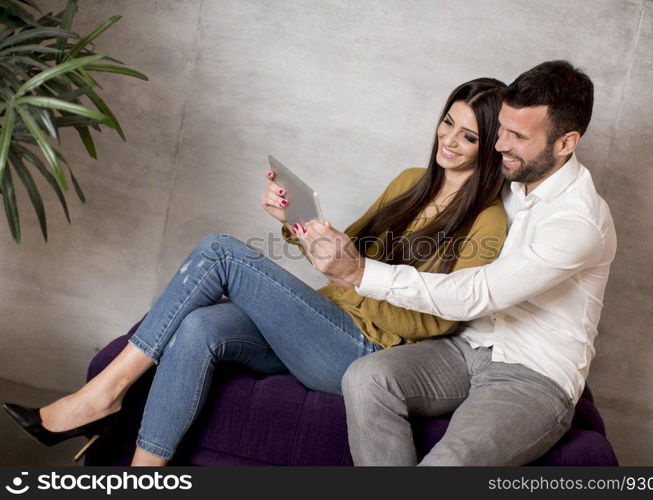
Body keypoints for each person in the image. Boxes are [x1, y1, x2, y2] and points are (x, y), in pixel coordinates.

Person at [4, 78, 510, 466]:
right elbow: (342, 250)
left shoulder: (487, 219)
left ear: (491, 146)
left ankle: (101, 396)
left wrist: (358, 280)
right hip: (322, 326)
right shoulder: (411, 181)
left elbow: (442, 318)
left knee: (220, 252)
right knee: (200, 325)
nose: (450, 140)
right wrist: (293, 222)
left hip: (368, 352)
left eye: (469, 135)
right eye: (448, 122)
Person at [296, 60, 617, 466]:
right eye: (501, 129)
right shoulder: (508, 181)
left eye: (517, 136)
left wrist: (361, 274)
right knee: (367, 376)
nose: (499, 145)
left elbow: (477, 293)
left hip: (533, 374)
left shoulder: (579, 222)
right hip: (464, 349)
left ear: (566, 143)